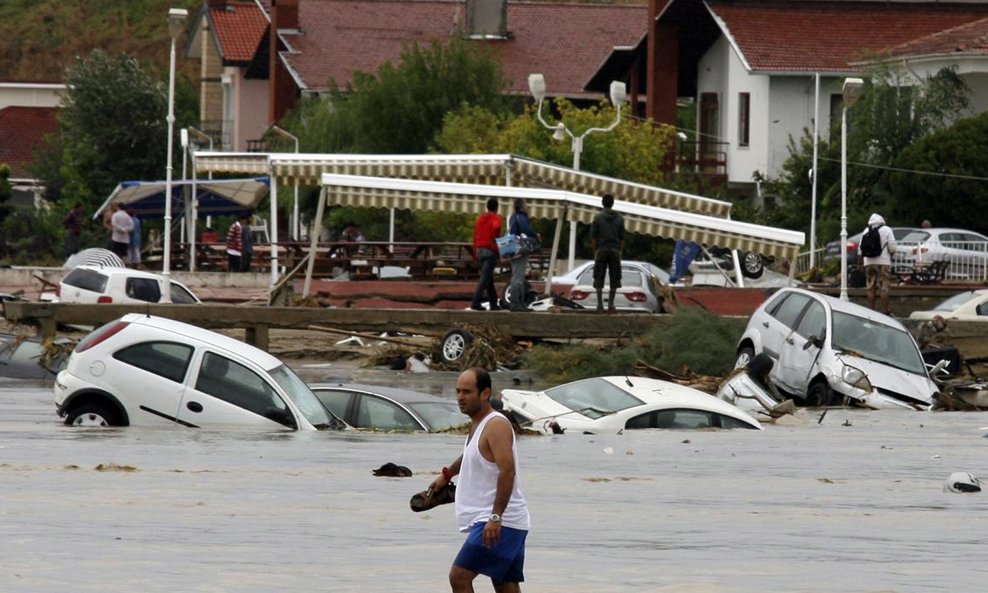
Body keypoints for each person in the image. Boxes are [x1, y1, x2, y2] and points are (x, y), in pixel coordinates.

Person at [429, 367, 530, 593]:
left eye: (467, 392)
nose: (460, 398)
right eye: (457, 391)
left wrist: (496, 516)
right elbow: (474, 452)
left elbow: (508, 471)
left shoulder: (496, 425)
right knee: (504, 583)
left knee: (459, 577)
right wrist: (447, 475)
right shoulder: (479, 423)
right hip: (501, 521)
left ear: (485, 394)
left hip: (500, 521)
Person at [590, 193, 625, 311]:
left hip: (601, 249)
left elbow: (594, 237)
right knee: (615, 277)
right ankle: (611, 304)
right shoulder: (620, 219)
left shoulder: (597, 218)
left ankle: (600, 304)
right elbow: (622, 238)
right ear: (613, 203)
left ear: (602, 203)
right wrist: (620, 251)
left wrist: (595, 251)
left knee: (599, 275)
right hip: (615, 250)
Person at [506, 198, 539, 312]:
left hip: (510, 247)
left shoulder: (513, 216)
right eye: (526, 204)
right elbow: (526, 229)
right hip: (518, 248)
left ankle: (519, 303)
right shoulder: (521, 217)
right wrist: (535, 236)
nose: (527, 207)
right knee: (518, 277)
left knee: (516, 275)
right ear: (521, 206)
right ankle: (516, 303)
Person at [470, 198, 502, 311]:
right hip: (490, 251)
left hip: (479, 250)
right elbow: (496, 227)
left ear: (487, 207)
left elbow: (474, 236)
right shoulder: (495, 218)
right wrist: (498, 246)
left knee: (488, 277)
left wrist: (474, 254)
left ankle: (493, 303)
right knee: (485, 278)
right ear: (497, 208)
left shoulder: (479, 219)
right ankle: (475, 302)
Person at [862, 212, 897, 314]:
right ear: (882, 220)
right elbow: (893, 247)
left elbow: (860, 250)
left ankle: (871, 311)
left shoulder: (866, 230)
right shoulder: (887, 230)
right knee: (884, 287)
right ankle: (885, 311)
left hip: (868, 262)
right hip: (883, 262)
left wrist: (860, 263)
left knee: (870, 287)